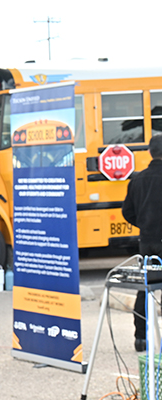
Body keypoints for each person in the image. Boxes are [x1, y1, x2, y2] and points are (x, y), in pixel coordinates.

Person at [122, 133, 162, 352]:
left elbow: (127, 211)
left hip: (146, 242)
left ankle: (141, 337)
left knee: (145, 288)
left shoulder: (137, 179)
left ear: (149, 152)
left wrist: (144, 225)